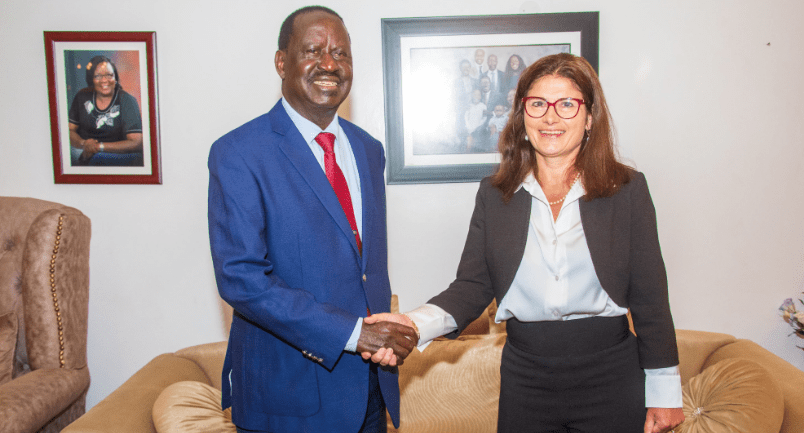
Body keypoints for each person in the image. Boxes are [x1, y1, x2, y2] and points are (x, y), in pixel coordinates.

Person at [365, 53, 685, 433]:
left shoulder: (627, 189)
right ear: (522, 116)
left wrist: (665, 393)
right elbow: (472, 287)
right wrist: (412, 324)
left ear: (589, 117)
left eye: (567, 104)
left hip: (611, 376)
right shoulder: (494, 194)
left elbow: (651, 298)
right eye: (538, 104)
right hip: (526, 378)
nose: (551, 117)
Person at [208, 6, 418, 433]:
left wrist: (386, 333)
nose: (329, 64)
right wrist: (351, 333)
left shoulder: (368, 150)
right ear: (282, 62)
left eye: (341, 53)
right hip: (287, 398)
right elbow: (241, 278)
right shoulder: (239, 152)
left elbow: (363, 269)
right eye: (313, 50)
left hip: (370, 391)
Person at [68, 55, 144, 166]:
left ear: (115, 77)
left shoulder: (127, 100)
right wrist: (83, 143)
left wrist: (98, 147)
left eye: (109, 75)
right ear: (91, 79)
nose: (104, 81)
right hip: (85, 150)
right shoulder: (82, 96)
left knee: (98, 159)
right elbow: (70, 130)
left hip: (119, 155)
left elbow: (136, 142)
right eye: (98, 76)